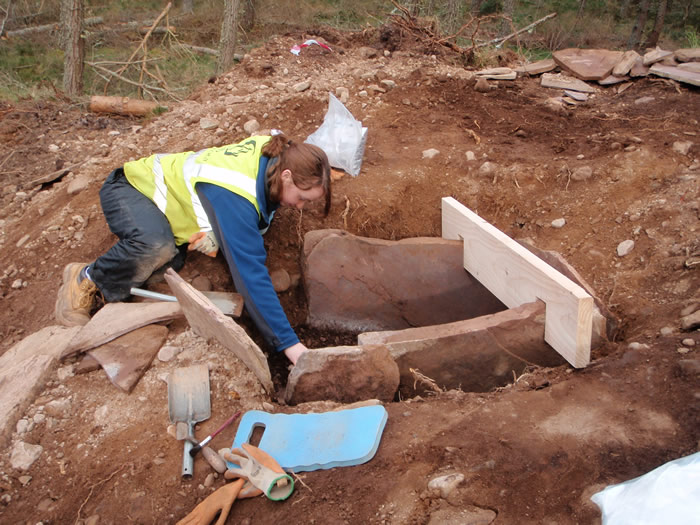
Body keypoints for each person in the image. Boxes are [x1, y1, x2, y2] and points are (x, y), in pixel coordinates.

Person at [54, 133, 331, 365]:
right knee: (156, 247)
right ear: (286, 176)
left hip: (169, 203)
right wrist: (291, 346)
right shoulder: (235, 198)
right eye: (302, 198)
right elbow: (250, 277)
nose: (300, 207)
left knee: (169, 264)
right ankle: (86, 278)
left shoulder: (279, 150)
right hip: (132, 188)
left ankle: (122, 284)